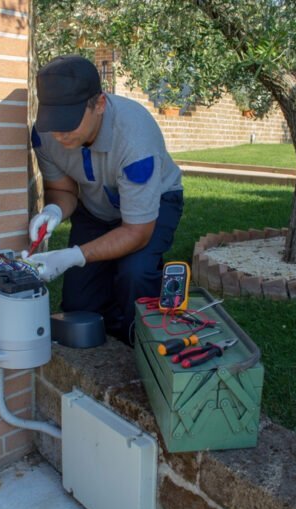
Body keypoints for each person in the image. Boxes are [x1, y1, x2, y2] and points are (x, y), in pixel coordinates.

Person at [27, 55, 184, 345]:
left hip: (153, 205)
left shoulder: (135, 138)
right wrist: (52, 210)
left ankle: (140, 343)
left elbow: (136, 232)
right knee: (78, 305)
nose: (59, 133)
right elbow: (63, 191)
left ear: (99, 104)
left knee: (135, 275)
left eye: (69, 121)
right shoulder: (45, 135)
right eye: (54, 121)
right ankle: (111, 322)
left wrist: (74, 255)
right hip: (95, 204)